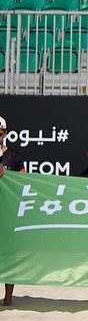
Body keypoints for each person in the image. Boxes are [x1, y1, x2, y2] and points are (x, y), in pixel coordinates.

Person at [0, 114, 24, 306]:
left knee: (9, 254)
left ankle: (8, 298)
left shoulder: (14, 157)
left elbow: (23, 181)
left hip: (7, 212)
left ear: (5, 133)